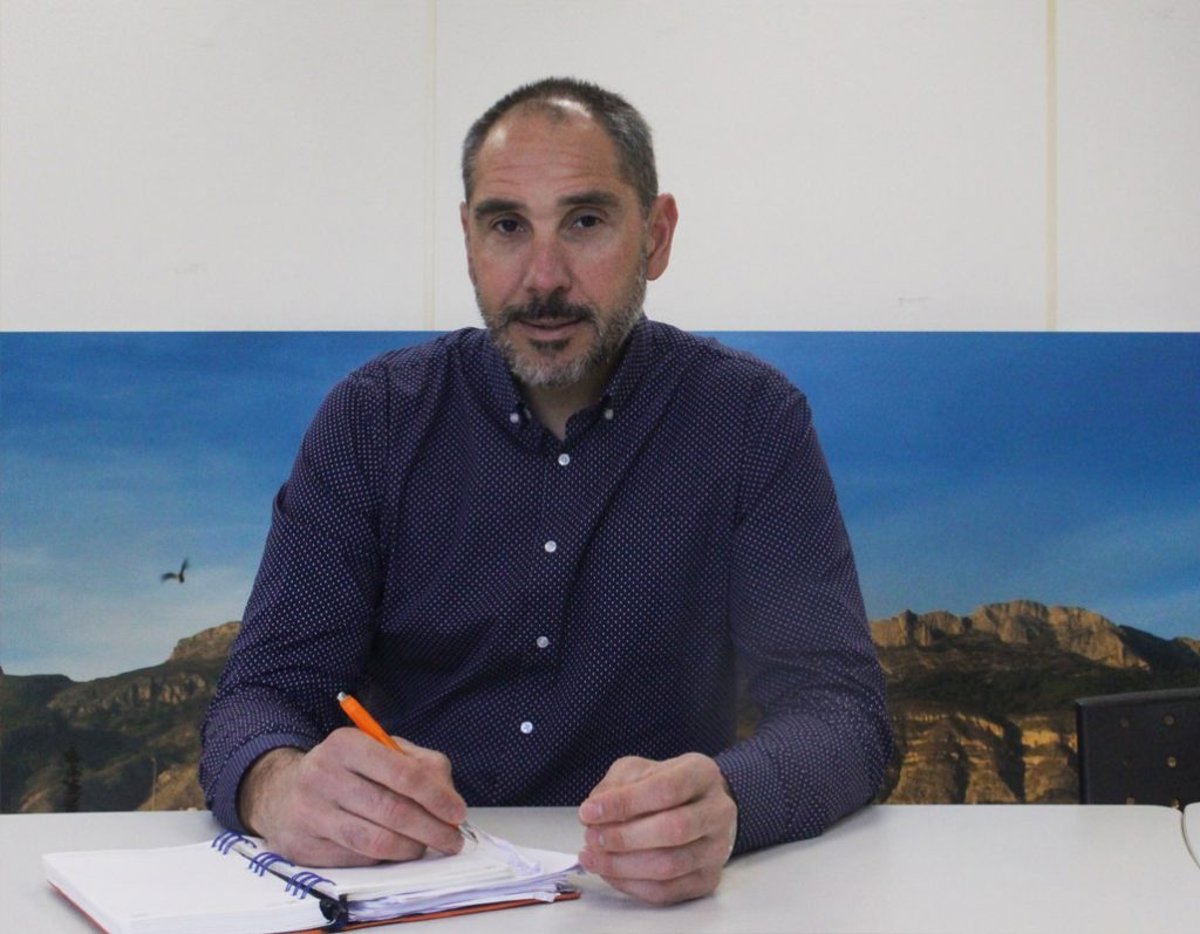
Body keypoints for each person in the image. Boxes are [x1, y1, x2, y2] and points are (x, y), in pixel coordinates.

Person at [200, 77, 891, 906]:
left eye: (585, 221)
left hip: (651, 911)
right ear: (468, 239)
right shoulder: (370, 421)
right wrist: (276, 786)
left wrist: (730, 804)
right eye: (506, 226)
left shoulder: (750, 421)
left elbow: (842, 711)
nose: (543, 277)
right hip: (411, 897)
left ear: (657, 236)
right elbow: (263, 693)